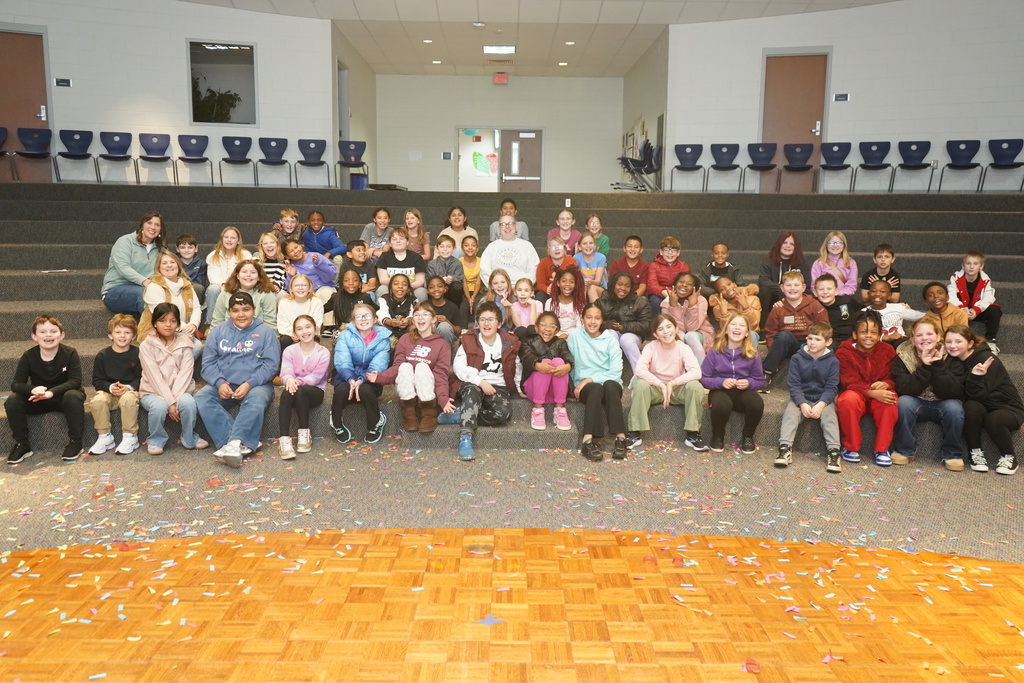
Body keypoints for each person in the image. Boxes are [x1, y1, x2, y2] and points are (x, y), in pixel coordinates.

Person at [195, 292, 280, 469]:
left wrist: (249, 383)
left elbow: (271, 366)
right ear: (229, 312)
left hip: (256, 384)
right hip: (225, 384)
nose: (241, 314)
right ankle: (235, 444)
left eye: (246, 309)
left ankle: (234, 443)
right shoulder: (217, 332)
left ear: (254, 310)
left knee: (255, 401)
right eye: (235, 310)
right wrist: (219, 383)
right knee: (202, 397)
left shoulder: (266, 333)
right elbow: (208, 364)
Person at [7, 315, 86, 465]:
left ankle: (76, 441)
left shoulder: (70, 353)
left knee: (73, 396)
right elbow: (16, 384)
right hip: (39, 398)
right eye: (42, 332)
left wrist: (51, 393)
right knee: (13, 400)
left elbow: (75, 381)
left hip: (62, 397)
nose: (48, 335)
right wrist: (33, 390)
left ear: (62, 335)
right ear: (34, 337)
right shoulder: (29, 356)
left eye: (53, 331)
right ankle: (22, 444)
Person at [944, 325, 1021, 475]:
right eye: (948, 342)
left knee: (993, 419)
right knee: (970, 407)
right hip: (982, 405)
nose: (952, 346)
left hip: (1008, 408)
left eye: (958, 341)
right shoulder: (954, 361)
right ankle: (975, 453)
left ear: (970, 343)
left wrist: (975, 377)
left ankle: (1009, 456)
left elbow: (979, 394)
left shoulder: (985, 359)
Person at [891, 318, 966, 471]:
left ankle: (952, 453)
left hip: (943, 402)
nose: (924, 338)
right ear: (912, 339)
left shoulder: (951, 356)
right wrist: (924, 367)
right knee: (903, 402)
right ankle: (905, 450)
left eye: (929, 334)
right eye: (919, 335)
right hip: (915, 401)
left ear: (938, 337)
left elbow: (953, 392)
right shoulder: (902, 356)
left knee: (955, 408)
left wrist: (938, 366)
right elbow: (905, 389)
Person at [625, 314, 707, 452]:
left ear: (676, 328)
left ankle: (693, 435)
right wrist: (661, 384)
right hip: (655, 387)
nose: (666, 332)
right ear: (656, 334)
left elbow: (696, 372)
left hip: (676, 389)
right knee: (640, 384)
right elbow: (639, 370)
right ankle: (635, 433)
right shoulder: (651, 347)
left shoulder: (683, 348)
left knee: (695, 387)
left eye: (669, 327)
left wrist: (672, 383)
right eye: (661, 329)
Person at [452, 302, 522, 461]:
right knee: (472, 391)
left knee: (504, 414)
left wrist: (518, 387)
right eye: (482, 319)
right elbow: (458, 367)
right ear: (477, 322)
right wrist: (480, 381)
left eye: (491, 319)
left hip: (499, 386)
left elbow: (516, 366)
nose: (486, 323)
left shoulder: (510, 341)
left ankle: (464, 413)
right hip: (473, 382)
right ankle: (465, 438)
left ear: (499, 323)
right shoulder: (469, 339)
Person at [369, 302, 453, 433]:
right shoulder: (405, 339)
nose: (421, 318)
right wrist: (381, 376)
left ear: (433, 320)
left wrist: (443, 398)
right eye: (417, 315)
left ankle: (428, 413)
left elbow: (440, 374)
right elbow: (397, 367)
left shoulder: (442, 345)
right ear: (413, 320)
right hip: (406, 385)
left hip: (427, 387)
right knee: (405, 366)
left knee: (421, 367)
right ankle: (409, 414)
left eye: (425, 314)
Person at [138, 303, 208, 455]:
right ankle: (156, 439)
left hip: (180, 389)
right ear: (155, 323)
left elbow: (186, 373)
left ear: (177, 323)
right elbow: (154, 377)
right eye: (163, 320)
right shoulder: (146, 345)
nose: (168, 325)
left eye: (173, 321)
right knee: (159, 406)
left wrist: (174, 399)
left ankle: (189, 437)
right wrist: (170, 402)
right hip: (152, 391)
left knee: (188, 403)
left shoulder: (185, 343)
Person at [775, 321, 841, 472]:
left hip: (823, 399)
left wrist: (822, 403)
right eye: (810, 338)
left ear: (828, 342)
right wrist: (802, 403)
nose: (812, 343)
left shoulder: (833, 361)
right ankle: (785, 448)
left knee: (830, 417)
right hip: (801, 397)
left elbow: (831, 387)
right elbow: (793, 385)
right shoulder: (797, 358)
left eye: (818, 339)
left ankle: (834, 452)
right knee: (791, 414)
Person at [835, 310, 898, 467]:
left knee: (889, 399)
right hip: (857, 394)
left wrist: (886, 384)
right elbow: (847, 381)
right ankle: (850, 447)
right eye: (863, 332)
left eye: (874, 332)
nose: (868, 336)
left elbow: (894, 376)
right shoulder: (844, 351)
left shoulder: (887, 350)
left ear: (879, 335)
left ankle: (882, 449)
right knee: (847, 400)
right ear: (855, 335)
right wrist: (869, 392)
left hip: (879, 394)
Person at [568, 303, 627, 462]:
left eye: (597, 318)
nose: (592, 322)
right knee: (594, 388)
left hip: (610, 385)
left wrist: (591, 378)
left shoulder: (610, 340)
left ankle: (621, 439)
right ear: (582, 319)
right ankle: (587, 440)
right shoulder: (575, 337)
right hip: (586, 388)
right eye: (589, 317)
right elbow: (570, 363)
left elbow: (615, 372)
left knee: (608, 384)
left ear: (602, 321)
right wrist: (572, 388)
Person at [700, 313, 765, 454]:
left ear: (747, 333)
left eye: (742, 325)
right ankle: (717, 436)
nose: (737, 328)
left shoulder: (753, 355)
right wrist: (721, 382)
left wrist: (749, 383)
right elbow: (704, 378)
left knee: (757, 403)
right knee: (722, 405)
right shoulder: (714, 352)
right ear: (726, 329)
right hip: (720, 391)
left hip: (743, 393)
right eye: (733, 324)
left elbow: (760, 381)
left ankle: (748, 436)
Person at [331, 303, 391, 444]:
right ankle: (336, 423)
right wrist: (351, 379)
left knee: (365, 389)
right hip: (347, 376)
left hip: (370, 378)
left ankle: (374, 424)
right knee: (342, 389)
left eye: (367, 316)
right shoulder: (345, 336)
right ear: (353, 321)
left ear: (375, 319)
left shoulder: (383, 339)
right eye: (359, 316)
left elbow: (378, 365)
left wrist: (361, 379)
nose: (363, 319)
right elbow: (342, 362)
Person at [762, 271, 828, 392]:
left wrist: (817, 346)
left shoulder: (814, 305)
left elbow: (823, 327)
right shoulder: (778, 308)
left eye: (796, 285)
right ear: (782, 288)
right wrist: (774, 350)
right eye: (788, 285)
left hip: (808, 345)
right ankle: (767, 372)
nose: (792, 288)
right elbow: (771, 332)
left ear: (803, 288)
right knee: (784, 335)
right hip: (785, 345)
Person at [86, 314, 141, 457]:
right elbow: (97, 380)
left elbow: (141, 377)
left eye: (127, 332)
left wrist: (128, 387)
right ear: (110, 335)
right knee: (98, 400)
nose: (122, 336)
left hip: (130, 392)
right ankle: (105, 437)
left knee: (128, 399)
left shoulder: (138, 353)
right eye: (118, 332)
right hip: (109, 392)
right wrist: (111, 387)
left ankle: (130, 437)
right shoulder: (103, 355)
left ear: (134, 336)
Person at [277, 314, 331, 460]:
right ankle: (284, 439)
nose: (305, 332)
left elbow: (316, 378)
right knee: (286, 393)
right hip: (294, 388)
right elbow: (285, 371)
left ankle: (304, 433)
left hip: (314, 392)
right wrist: (289, 380)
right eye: (299, 329)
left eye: (308, 327)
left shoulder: (323, 352)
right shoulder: (289, 351)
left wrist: (296, 382)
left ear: (315, 328)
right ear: (294, 333)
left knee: (300, 390)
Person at [101, 211, 165, 315]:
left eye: (157, 225)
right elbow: (123, 267)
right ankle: (153, 329)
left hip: (147, 288)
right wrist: (145, 282)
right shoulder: (125, 241)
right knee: (145, 295)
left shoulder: (162, 249)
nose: (153, 227)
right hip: (116, 290)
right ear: (142, 225)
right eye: (149, 223)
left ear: (160, 230)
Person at [138, 251, 202, 354]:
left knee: (197, 346)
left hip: (181, 331)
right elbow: (163, 314)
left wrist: (193, 325)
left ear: (178, 265)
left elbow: (196, 308)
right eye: (164, 263)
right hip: (159, 332)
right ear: (159, 267)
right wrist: (185, 328)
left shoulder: (186, 285)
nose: (169, 265)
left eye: (172, 262)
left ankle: (177, 370)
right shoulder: (154, 286)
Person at [519, 311, 573, 432]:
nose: (547, 329)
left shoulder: (560, 343)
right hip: (534, 389)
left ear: (557, 330)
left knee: (559, 361)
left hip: (553, 393)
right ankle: (537, 411)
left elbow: (567, 355)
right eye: (543, 325)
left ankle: (560, 411)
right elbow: (526, 357)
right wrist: (537, 365)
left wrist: (568, 366)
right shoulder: (528, 341)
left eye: (552, 326)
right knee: (545, 362)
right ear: (537, 327)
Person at [595, 271, 651, 371]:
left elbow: (647, 325)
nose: (623, 289)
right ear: (613, 284)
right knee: (610, 335)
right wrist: (609, 325)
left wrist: (625, 326)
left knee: (626, 339)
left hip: (632, 334)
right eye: (619, 284)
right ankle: (609, 372)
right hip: (611, 331)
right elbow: (594, 320)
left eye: (627, 286)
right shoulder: (604, 299)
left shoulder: (640, 302)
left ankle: (640, 374)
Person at [949, 251, 1002, 353]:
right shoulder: (956, 278)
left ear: (981, 266)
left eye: (975, 264)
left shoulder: (985, 280)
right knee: (946, 307)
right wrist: (961, 308)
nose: (971, 267)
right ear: (963, 266)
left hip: (976, 310)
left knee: (995, 311)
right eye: (968, 264)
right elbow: (950, 295)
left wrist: (976, 309)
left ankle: (990, 341)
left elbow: (989, 297)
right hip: (960, 310)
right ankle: (954, 340)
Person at [757, 231, 810, 329]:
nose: (788, 246)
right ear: (779, 244)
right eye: (785, 243)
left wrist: (789, 293)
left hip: (795, 296)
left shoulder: (802, 262)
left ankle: (790, 328)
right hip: (774, 296)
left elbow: (807, 284)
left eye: (792, 244)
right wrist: (782, 291)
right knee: (764, 291)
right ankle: (763, 329)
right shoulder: (768, 260)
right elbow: (763, 280)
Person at [660, 272, 714, 363]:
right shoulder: (666, 303)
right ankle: (677, 371)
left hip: (702, 334)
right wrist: (673, 306)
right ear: (675, 285)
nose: (684, 285)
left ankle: (703, 370)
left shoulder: (701, 300)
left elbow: (692, 328)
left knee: (690, 335)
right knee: (678, 335)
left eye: (689, 284)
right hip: (680, 332)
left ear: (694, 289)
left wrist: (692, 306)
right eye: (681, 282)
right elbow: (678, 328)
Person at [204, 226, 252, 325]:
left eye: (233, 238)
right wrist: (223, 284)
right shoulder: (212, 256)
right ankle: (211, 324)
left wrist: (232, 285)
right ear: (222, 239)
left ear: (238, 241)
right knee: (212, 289)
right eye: (226, 237)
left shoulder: (246, 255)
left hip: (238, 285)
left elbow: (246, 274)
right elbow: (213, 276)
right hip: (220, 286)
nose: (229, 240)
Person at [211, 260, 278, 329]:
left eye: (253, 272)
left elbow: (270, 324)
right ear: (237, 276)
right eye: (244, 272)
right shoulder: (225, 293)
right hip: (229, 335)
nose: (248, 275)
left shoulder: (267, 294)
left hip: (258, 335)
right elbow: (217, 321)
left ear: (258, 277)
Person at [480, 216, 540, 286]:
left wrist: (522, 287)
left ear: (516, 226)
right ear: (499, 228)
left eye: (511, 224)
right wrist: (495, 286)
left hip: (521, 291)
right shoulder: (492, 247)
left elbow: (534, 269)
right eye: (503, 224)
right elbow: (484, 269)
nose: (507, 227)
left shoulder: (527, 246)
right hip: (497, 290)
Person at [863, 279, 924, 347]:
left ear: (889, 295)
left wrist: (936, 313)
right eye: (874, 291)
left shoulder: (898, 308)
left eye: (882, 291)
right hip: (877, 342)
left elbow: (919, 316)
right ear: (868, 294)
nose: (877, 294)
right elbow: (862, 334)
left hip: (899, 340)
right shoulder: (864, 312)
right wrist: (885, 337)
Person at [375, 227, 428, 302]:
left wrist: (405, 287)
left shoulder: (416, 257)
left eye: (401, 239)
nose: (398, 241)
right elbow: (383, 280)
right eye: (394, 239)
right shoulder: (384, 257)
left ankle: (418, 313)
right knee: (382, 289)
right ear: (390, 243)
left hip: (411, 288)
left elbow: (420, 280)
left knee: (421, 292)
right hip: (391, 289)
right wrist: (397, 288)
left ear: (407, 242)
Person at [277, 274, 325, 351]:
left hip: (310, 334)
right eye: (296, 285)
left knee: (312, 341)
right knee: (284, 340)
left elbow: (317, 323)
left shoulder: (316, 302)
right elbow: (282, 324)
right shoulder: (284, 302)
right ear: (291, 289)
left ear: (309, 288)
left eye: (304, 285)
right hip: (291, 334)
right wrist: (295, 334)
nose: (300, 288)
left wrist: (303, 333)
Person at [284, 239, 338, 304]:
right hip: (305, 295)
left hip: (323, 289)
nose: (296, 251)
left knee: (326, 292)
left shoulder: (315, 256)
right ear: (287, 256)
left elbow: (331, 276)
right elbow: (289, 289)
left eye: (296, 247)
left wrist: (319, 264)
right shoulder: (290, 266)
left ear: (300, 246)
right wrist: (291, 276)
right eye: (291, 251)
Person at [646, 236, 689, 315]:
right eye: (666, 250)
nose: (670, 253)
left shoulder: (684, 267)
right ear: (661, 252)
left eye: (673, 250)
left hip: (678, 293)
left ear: (678, 253)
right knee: (655, 300)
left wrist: (674, 294)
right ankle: (657, 325)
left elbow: (685, 284)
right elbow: (651, 285)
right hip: (660, 294)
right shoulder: (653, 266)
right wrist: (664, 292)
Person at [709, 277, 761, 343]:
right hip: (729, 336)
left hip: (748, 334)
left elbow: (753, 326)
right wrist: (724, 314)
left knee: (752, 335)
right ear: (719, 294)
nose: (727, 289)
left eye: (729, 284)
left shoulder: (753, 299)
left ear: (735, 284)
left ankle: (748, 353)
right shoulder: (718, 308)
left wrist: (746, 307)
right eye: (722, 289)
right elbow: (725, 331)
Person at [811, 231, 858, 296]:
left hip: (843, 297)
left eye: (839, 243)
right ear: (826, 245)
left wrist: (836, 293)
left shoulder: (851, 263)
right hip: (824, 297)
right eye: (831, 242)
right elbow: (815, 285)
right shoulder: (819, 263)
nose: (835, 245)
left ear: (844, 245)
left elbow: (851, 286)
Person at [813, 274, 855, 347]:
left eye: (829, 289)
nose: (825, 292)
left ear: (836, 291)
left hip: (847, 340)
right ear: (815, 292)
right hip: (824, 341)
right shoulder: (812, 305)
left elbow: (862, 314)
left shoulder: (847, 302)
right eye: (821, 289)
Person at [424, 276, 465, 350]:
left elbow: (458, 332)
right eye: (431, 287)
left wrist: (447, 322)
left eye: (439, 286)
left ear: (445, 289)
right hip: (427, 341)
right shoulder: (424, 306)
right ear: (427, 291)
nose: (436, 289)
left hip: (447, 339)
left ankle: (445, 357)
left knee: (444, 326)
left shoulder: (452, 307)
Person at [545, 268, 586, 339]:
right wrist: (557, 338)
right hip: (554, 338)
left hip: (574, 339)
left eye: (571, 282)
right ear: (558, 283)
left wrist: (568, 336)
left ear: (575, 285)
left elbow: (580, 328)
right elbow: (547, 325)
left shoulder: (580, 305)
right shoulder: (550, 303)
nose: (567, 284)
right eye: (564, 281)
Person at [330, 269, 374, 335]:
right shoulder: (335, 298)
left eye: (355, 280)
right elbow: (321, 309)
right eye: (346, 280)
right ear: (341, 283)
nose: (351, 283)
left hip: (361, 331)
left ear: (360, 284)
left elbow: (376, 311)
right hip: (342, 332)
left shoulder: (365, 297)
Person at [426, 234, 465, 307]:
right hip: (436, 290)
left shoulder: (457, 263)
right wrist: (440, 279)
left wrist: (452, 279)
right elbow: (429, 279)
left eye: (448, 247)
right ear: (436, 249)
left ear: (454, 249)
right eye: (442, 246)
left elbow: (460, 278)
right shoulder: (432, 264)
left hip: (452, 291)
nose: (445, 249)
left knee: (457, 286)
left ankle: (454, 308)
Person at [378, 273, 417, 342]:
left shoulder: (413, 300)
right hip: (390, 328)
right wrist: (389, 322)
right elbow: (382, 313)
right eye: (396, 284)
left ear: (408, 289)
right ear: (390, 288)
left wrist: (408, 321)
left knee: (414, 327)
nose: (400, 286)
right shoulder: (384, 298)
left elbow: (414, 314)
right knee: (382, 329)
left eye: (404, 284)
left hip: (407, 330)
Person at [175, 234, 208, 306]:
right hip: (178, 289)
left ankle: (195, 310)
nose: (186, 250)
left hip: (193, 291)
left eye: (190, 247)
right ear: (177, 249)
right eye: (182, 247)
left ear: (196, 249)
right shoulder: (174, 262)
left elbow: (200, 282)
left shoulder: (201, 264)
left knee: (198, 288)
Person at [574, 233, 607, 302]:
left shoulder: (601, 257)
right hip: (582, 287)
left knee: (591, 288)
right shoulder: (576, 258)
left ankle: (594, 311)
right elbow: (575, 279)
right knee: (583, 287)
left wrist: (590, 281)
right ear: (579, 247)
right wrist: (583, 283)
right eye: (585, 243)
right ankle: (580, 310)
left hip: (599, 288)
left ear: (594, 246)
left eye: (591, 243)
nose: (588, 246)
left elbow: (598, 281)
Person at [255, 231, 287, 298]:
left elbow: (283, 279)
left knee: (282, 294)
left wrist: (276, 285)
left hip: (276, 291)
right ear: (261, 246)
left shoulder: (284, 261)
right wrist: (265, 282)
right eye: (265, 243)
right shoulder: (256, 260)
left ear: (277, 244)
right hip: (259, 289)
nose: (269, 245)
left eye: (272, 242)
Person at [459, 235, 481, 308]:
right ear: (462, 249)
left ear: (477, 249)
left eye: (473, 245)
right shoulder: (458, 262)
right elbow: (464, 282)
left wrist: (473, 297)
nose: (470, 248)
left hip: (478, 291)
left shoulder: (482, 262)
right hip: (463, 291)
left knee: (477, 305)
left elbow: (478, 282)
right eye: (466, 245)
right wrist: (469, 298)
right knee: (463, 307)